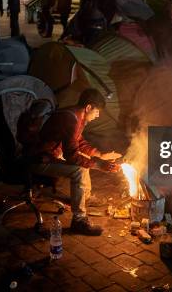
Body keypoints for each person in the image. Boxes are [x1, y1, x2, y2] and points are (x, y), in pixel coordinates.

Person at [29, 88, 122, 235]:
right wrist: (99, 164)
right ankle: (79, 220)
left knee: (84, 162)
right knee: (79, 170)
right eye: (97, 111)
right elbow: (71, 155)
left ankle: (84, 197)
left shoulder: (75, 115)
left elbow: (78, 141)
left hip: (50, 155)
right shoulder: (71, 119)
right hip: (38, 159)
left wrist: (100, 154)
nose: (98, 115)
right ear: (88, 107)